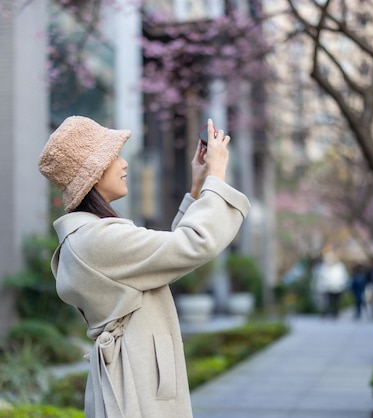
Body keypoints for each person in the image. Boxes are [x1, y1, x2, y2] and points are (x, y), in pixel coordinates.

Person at [38, 116, 249, 418]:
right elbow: (192, 245)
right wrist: (216, 178)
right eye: (114, 157)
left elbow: (167, 259)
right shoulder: (98, 239)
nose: (124, 164)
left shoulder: (89, 236)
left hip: (132, 373)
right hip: (135, 380)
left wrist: (199, 187)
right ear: (94, 173)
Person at [315, 248, 349, 318]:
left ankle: (335, 312)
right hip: (326, 288)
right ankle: (325, 313)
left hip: (337, 287)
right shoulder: (322, 267)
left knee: (335, 302)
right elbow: (320, 276)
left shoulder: (339, 267)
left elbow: (344, 277)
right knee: (326, 302)